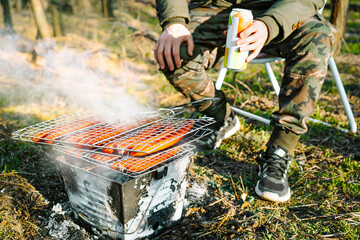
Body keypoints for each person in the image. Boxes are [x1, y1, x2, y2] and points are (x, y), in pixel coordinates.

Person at [153, 0, 335, 203]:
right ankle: (220, 116)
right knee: (173, 50)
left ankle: (281, 147)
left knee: (316, 36)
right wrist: (174, 21)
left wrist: (269, 24)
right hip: (216, 8)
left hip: (278, 7)